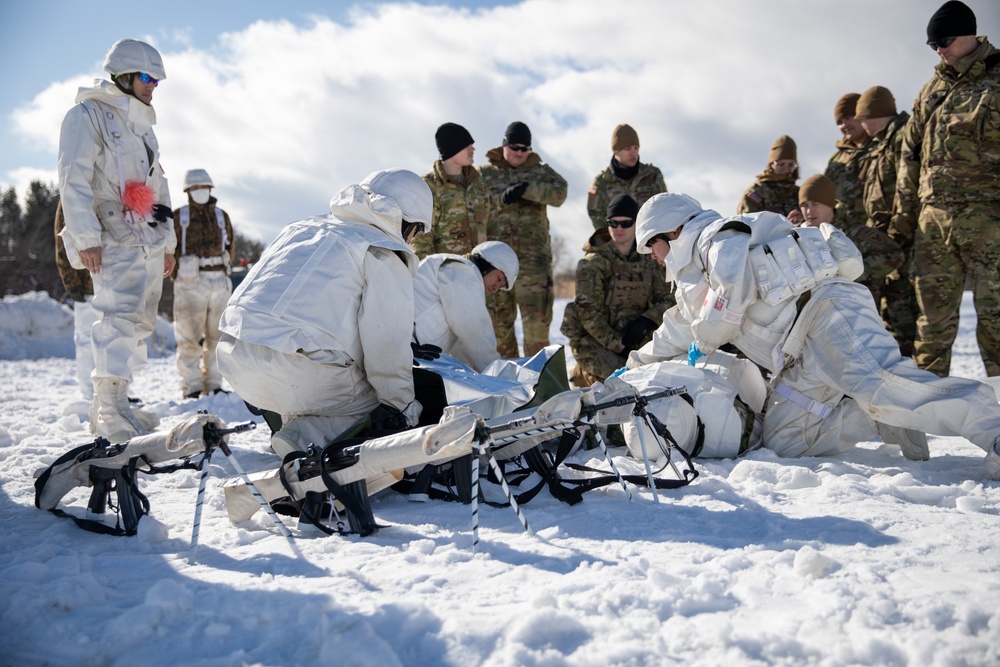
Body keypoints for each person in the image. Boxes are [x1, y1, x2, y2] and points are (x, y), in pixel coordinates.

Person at [628, 192, 1000, 479]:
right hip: (798, 352)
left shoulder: (718, 237)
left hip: (825, 311)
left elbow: (728, 295)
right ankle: (882, 417)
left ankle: (991, 427)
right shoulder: (693, 279)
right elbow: (676, 330)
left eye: (652, 247)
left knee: (880, 384)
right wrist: (631, 368)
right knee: (785, 440)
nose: (654, 257)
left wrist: (708, 334)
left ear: (673, 231)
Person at [216, 169, 432, 458]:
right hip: (294, 371)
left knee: (324, 374)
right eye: (416, 232)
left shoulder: (301, 229)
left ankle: (290, 423)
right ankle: (303, 437)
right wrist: (404, 409)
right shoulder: (382, 251)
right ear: (407, 223)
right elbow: (387, 347)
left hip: (234, 357)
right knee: (378, 401)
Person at [57, 38, 175, 442]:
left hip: (146, 235)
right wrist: (85, 236)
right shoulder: (87, 114)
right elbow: (73, 178)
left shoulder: (143, 126)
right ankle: (108, 410)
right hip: (110, 231)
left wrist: (169, 244)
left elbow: (159, 185)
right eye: (145, 77)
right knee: (118, 315)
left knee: (140, 320)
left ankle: (117, 402)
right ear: (122, 75)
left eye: (156, 81)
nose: (151, 86)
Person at [894, 0, 1000, 377]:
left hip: (989, 221)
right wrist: (903, 220)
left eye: (946, 41)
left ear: (971, 34)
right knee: (931, 326)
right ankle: (926, 412)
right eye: (933, 45)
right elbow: (909, 156)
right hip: (933, 223)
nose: (940, 50)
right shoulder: (931, 91)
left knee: (996, 320)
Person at [562, 194, 673, 387]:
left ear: (636, 223)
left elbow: (668, 300)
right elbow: (588, 315)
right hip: (597, 341)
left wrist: (648, 319)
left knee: (662, 380)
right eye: (613, 223)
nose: (619, 229)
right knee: (620, 383)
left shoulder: (650, 258)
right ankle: (583, 373)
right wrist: (619, 347)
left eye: (626, 223)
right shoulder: (594, 263)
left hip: (637, 339)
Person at [478, 121, 568, 357]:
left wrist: (528, 189)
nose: (519, 153)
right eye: (515, 147)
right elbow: (471, 204)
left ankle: (540, 385)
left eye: (524, 148)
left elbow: (560, 193)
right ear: (504, 145)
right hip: (494, 264)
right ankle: (507, 385)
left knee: (537, 329)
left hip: (533, 263)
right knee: (498, 329)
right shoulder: (485, 173)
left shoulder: (540, 171)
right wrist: (501, 200)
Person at [855, 85, 918, 358]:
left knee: (906, 318)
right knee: (890, 315)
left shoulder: (903, 137)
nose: (860, 125)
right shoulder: (881, 142)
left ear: (873, 115)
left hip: (905, 239)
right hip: (887, 240)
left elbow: (908, 187)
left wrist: (899, 232)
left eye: (862, 118)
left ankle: (918, 379)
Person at [171, 168, 235, 399]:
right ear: (188, 191)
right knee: (188, 338)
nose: (200, 192)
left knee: (218, 337)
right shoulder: (179, 217)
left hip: (219, 280)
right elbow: (169, 249)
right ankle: (192, 387)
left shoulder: (221, 216)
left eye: (204, 187)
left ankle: (215, 384)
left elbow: (230, 247)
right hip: (190, 282)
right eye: (195, 188)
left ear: (210, 189)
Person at [413, 240, 519, 372]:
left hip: (408, 352)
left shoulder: (457, 274)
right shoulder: (462, 271)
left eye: (501, 287)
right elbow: (473, 331)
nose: (496, 288)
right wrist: (498, 373)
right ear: (487, 264)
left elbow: (462, 346)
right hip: (403, 348)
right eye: (498, 279)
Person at [796, 174, 903, 296]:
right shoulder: (798, 236)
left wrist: (856, 270)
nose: (809, 211)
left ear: (830, 204)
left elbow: (894, 255)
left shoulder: (855, 233)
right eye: (804, 205)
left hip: (856, 305)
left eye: (815, 204)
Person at [412, 123, 490, 259]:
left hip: (481, 272)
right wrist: (431, 274)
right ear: (453, 148)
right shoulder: (429, 186)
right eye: (467, 146)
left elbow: (492, 225)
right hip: (447, 274)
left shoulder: (478, 183)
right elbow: (421, 239)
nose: (473, 149)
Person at [54, 201, 98, 402]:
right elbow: (62, 245)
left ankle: (117, 390)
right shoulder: (71, 195)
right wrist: (72, 284)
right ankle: (90, 392)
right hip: (86, 287)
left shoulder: (112, 185)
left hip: (113, 284)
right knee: (86, 341)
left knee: (116, 339)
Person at [586, 124, 667, 230]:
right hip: (618, 241)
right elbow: (594, 212)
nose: (633, 153)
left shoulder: (652, 175)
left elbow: (664, 207)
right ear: (616, 151)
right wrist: (614, 237)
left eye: (636, 148)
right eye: (628, 148)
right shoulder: (600, 182)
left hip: (648, 239)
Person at [824, 93, 872, 231]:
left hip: (876, 232)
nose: (844, 125)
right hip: (843, 233)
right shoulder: (837, 159)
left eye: (848, 118)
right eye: (839, 122)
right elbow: (825, 196)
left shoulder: (880, 148)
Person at [737, 135, 800, 217]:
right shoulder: (757, 191)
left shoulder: (798, 192)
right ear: (771, 165)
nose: (786, 169)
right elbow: (747, 223)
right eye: (781, 164)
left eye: (791, 165)